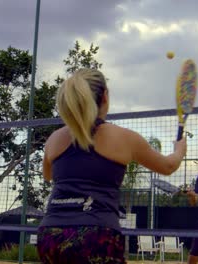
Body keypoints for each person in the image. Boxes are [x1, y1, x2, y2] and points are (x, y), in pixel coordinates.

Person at [37, 68, 187, 264]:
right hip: (95, 236)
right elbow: (168, 166)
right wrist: (179, 150)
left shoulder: (54, 139)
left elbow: (47, 175)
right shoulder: (123, 137)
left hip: (51, 236)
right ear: (105, 97)